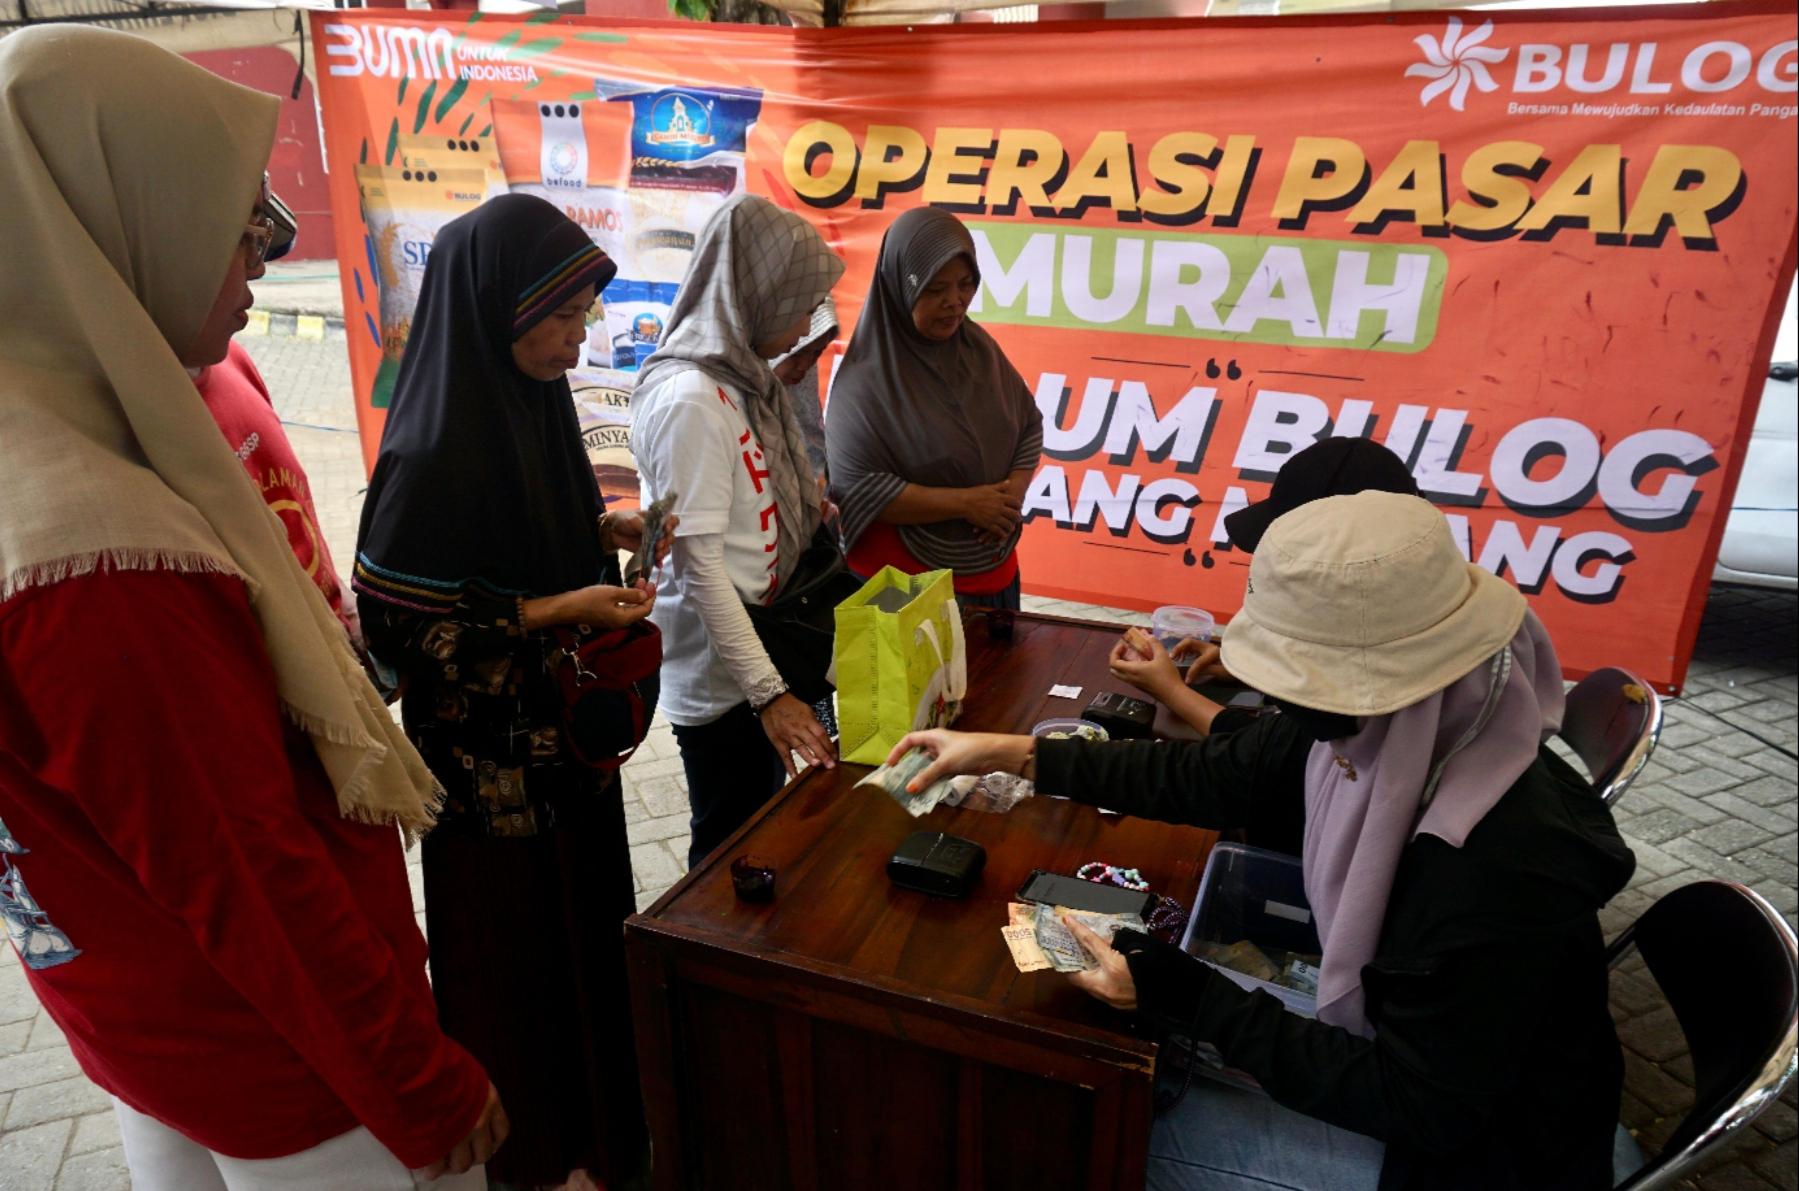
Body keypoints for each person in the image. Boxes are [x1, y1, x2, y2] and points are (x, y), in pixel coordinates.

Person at [0, 25, 502, 1189]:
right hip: (289, 1066)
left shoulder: (86, 424)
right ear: (109, 227)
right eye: (233, 226)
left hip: (155, 1019)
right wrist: (420, 1085)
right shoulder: (94, 556)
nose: (262, 263)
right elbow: (242, 867)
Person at [892, 491, 1635, 1191]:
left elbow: (1424, 1106)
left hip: (1478, 1160)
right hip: (1425, 1073)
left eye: (1293, 684)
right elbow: (1208, 775)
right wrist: (1007, 751)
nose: (1272, 701)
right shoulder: (1411, 729)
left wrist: (1191, 997)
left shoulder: (1498, 868)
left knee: (1100, 1130)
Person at [353, 194, 669, 1191]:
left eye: (586, 319)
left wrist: (607, 538)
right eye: (563, 318)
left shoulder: (533, 404)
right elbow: (399, 629)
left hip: (567, 760)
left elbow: (538, 529)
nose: (577, 346)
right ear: (496, 306)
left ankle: (599, 1139)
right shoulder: (428, 450)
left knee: (585, 939)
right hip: (489, 787)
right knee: (517, 974)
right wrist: (549, 609)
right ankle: (533, 1160)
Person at [632, 195, 846, 867]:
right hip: (729, 684)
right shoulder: (692, 399)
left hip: (763, 649)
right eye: (795, 303)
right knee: (728, 855)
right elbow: (698, 571)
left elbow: (738, 509)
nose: (803, 324)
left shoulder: (743, 381)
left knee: (763, 834)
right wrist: (769, 695)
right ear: (752, 294)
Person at [1109, 437, 1423, 734]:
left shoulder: (1388, 671)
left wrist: (1171, 691)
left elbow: (1274, 758)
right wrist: (1243, 671)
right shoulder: (1402, 608)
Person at [826, 207, 1043, 609]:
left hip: (993, 573)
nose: (954, 302)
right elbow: (855, 486)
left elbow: (1029, 424)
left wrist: (1012, 492)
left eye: (965, 285)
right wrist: (968, 503)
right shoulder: (866, 379)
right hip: (901, 592)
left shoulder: (978, 349)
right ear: (900, 288)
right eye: (934, 288)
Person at [192, 173, 363, 645]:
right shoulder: (129, 430)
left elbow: (295, 513)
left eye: (262, 240)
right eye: (245, 239)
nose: (259, 268)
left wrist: (341, 607)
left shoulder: (232, 362)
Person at [772, 297, 839, 476]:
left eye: (817, 353)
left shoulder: (803, 381)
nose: (805, 365)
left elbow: (812, 444)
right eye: (797, 353)